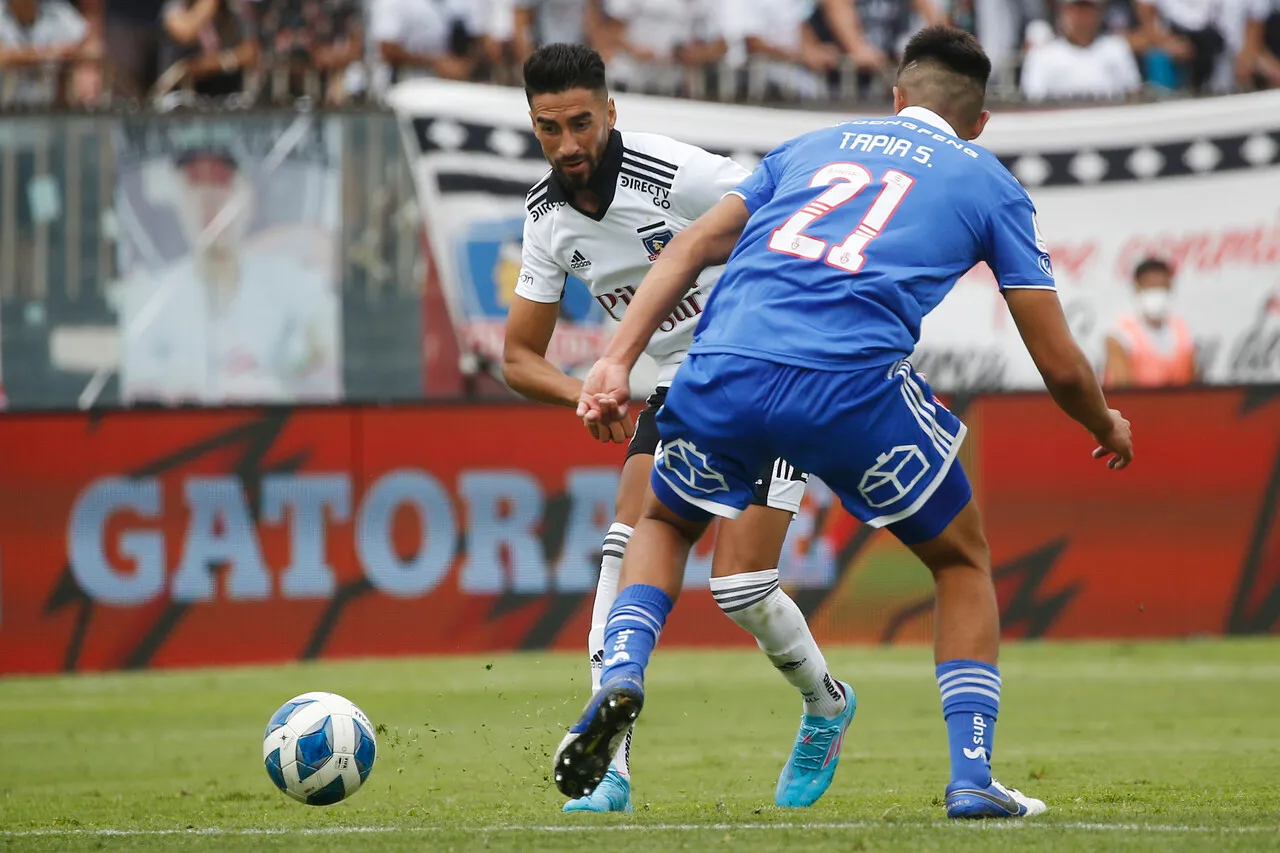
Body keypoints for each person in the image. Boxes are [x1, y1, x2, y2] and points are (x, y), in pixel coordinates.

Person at [557, 25, 1134, 819]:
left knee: (662, 518)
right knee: (960, 560)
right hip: (850, 388)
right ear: (978, 122)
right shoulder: (987, 180)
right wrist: (1104, 423)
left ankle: (624, 669)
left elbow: (688, 248)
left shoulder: (810, 146)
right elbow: (1061, 365)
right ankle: (971, 776)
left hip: (725, 363)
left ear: (896, 98)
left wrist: (616, 359)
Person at [503, 44, 855, 814]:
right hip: (676, 386)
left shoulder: (676, 174)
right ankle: (610, 767)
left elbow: (791, 212)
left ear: (611, 112)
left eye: (581, 122)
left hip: (767, 367)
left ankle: (826, 703)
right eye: (549, 128)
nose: (568, 143)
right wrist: (585, 392)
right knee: (621, 545)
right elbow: (518, 357)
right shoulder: (545, 218)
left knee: (741, 586)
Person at [1103, 256, 1196, 388]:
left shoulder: (1182, 330)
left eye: (1162, 286)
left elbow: (1193, 381)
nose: (1157, 292)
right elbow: (1122, 388)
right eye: (1151, 286)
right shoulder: (1120, 334)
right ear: (1137, 287)